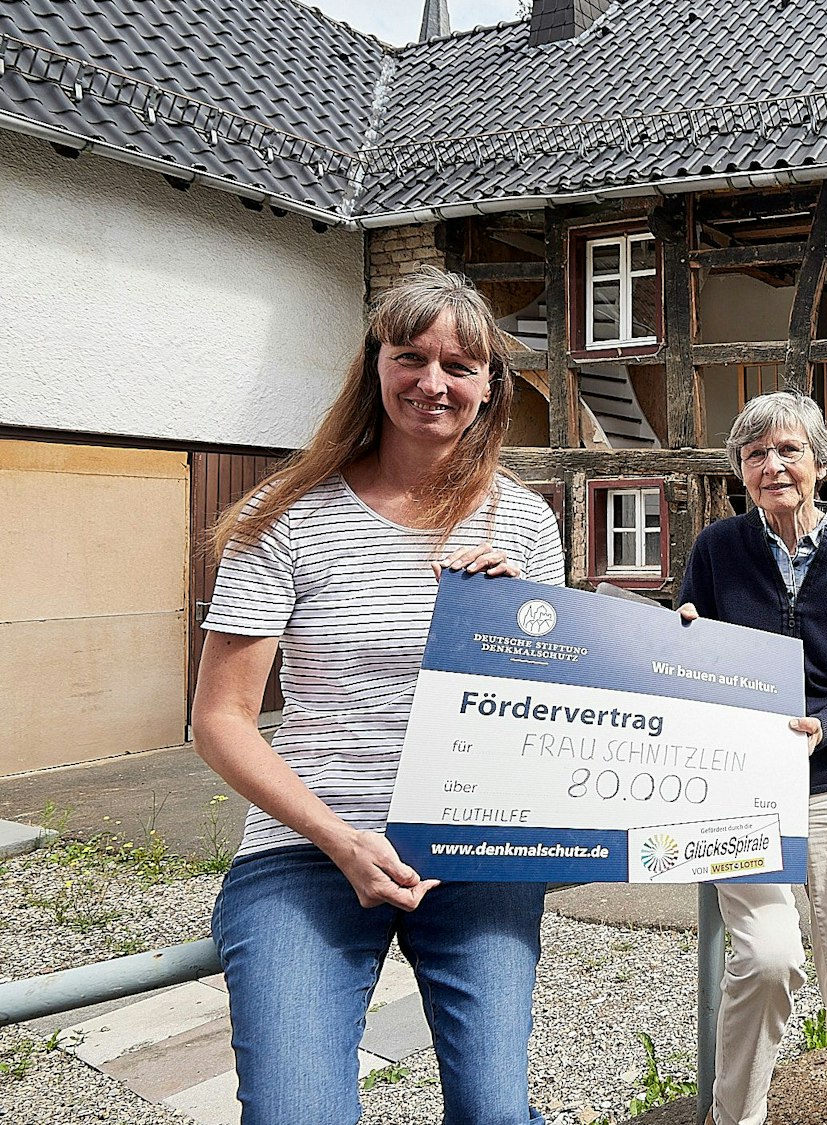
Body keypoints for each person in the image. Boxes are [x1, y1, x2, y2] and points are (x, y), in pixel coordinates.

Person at [191, 267, 564, 1125]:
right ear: (375, 365)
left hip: (476, 850)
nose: (433, 382)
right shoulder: (283, 514)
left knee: (498, 1115)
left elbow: (552, 716)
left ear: (489, 388)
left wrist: (529, 625)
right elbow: (219, 720)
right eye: (412, 356)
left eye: (460, 366)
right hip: (307, 851)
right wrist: (335, 836)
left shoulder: (525, 522)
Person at [676, 391, 827, 1125]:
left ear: (821, 462)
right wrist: (677, 636)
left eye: (788, 451)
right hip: (741, 787)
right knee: (770, 958)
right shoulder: (717, 549)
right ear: (739, 470)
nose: (772, 465)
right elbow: (685, 659)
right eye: (754, 454)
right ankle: (733, 1116)